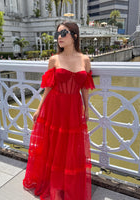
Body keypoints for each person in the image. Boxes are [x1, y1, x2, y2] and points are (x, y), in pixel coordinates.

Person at [23, 21, 95, 200]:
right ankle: (53, 182)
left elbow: (85, 87)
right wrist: (39, 109)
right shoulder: (54, 59)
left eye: (63, 33)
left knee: (71, 147)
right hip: (54, 106)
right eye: (58, 34)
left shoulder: (85, 60)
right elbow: (48, 86)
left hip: (73, 107)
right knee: (53, 145)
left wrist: (86, 107)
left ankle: (66, 183)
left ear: (75, 36)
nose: (59, 37)